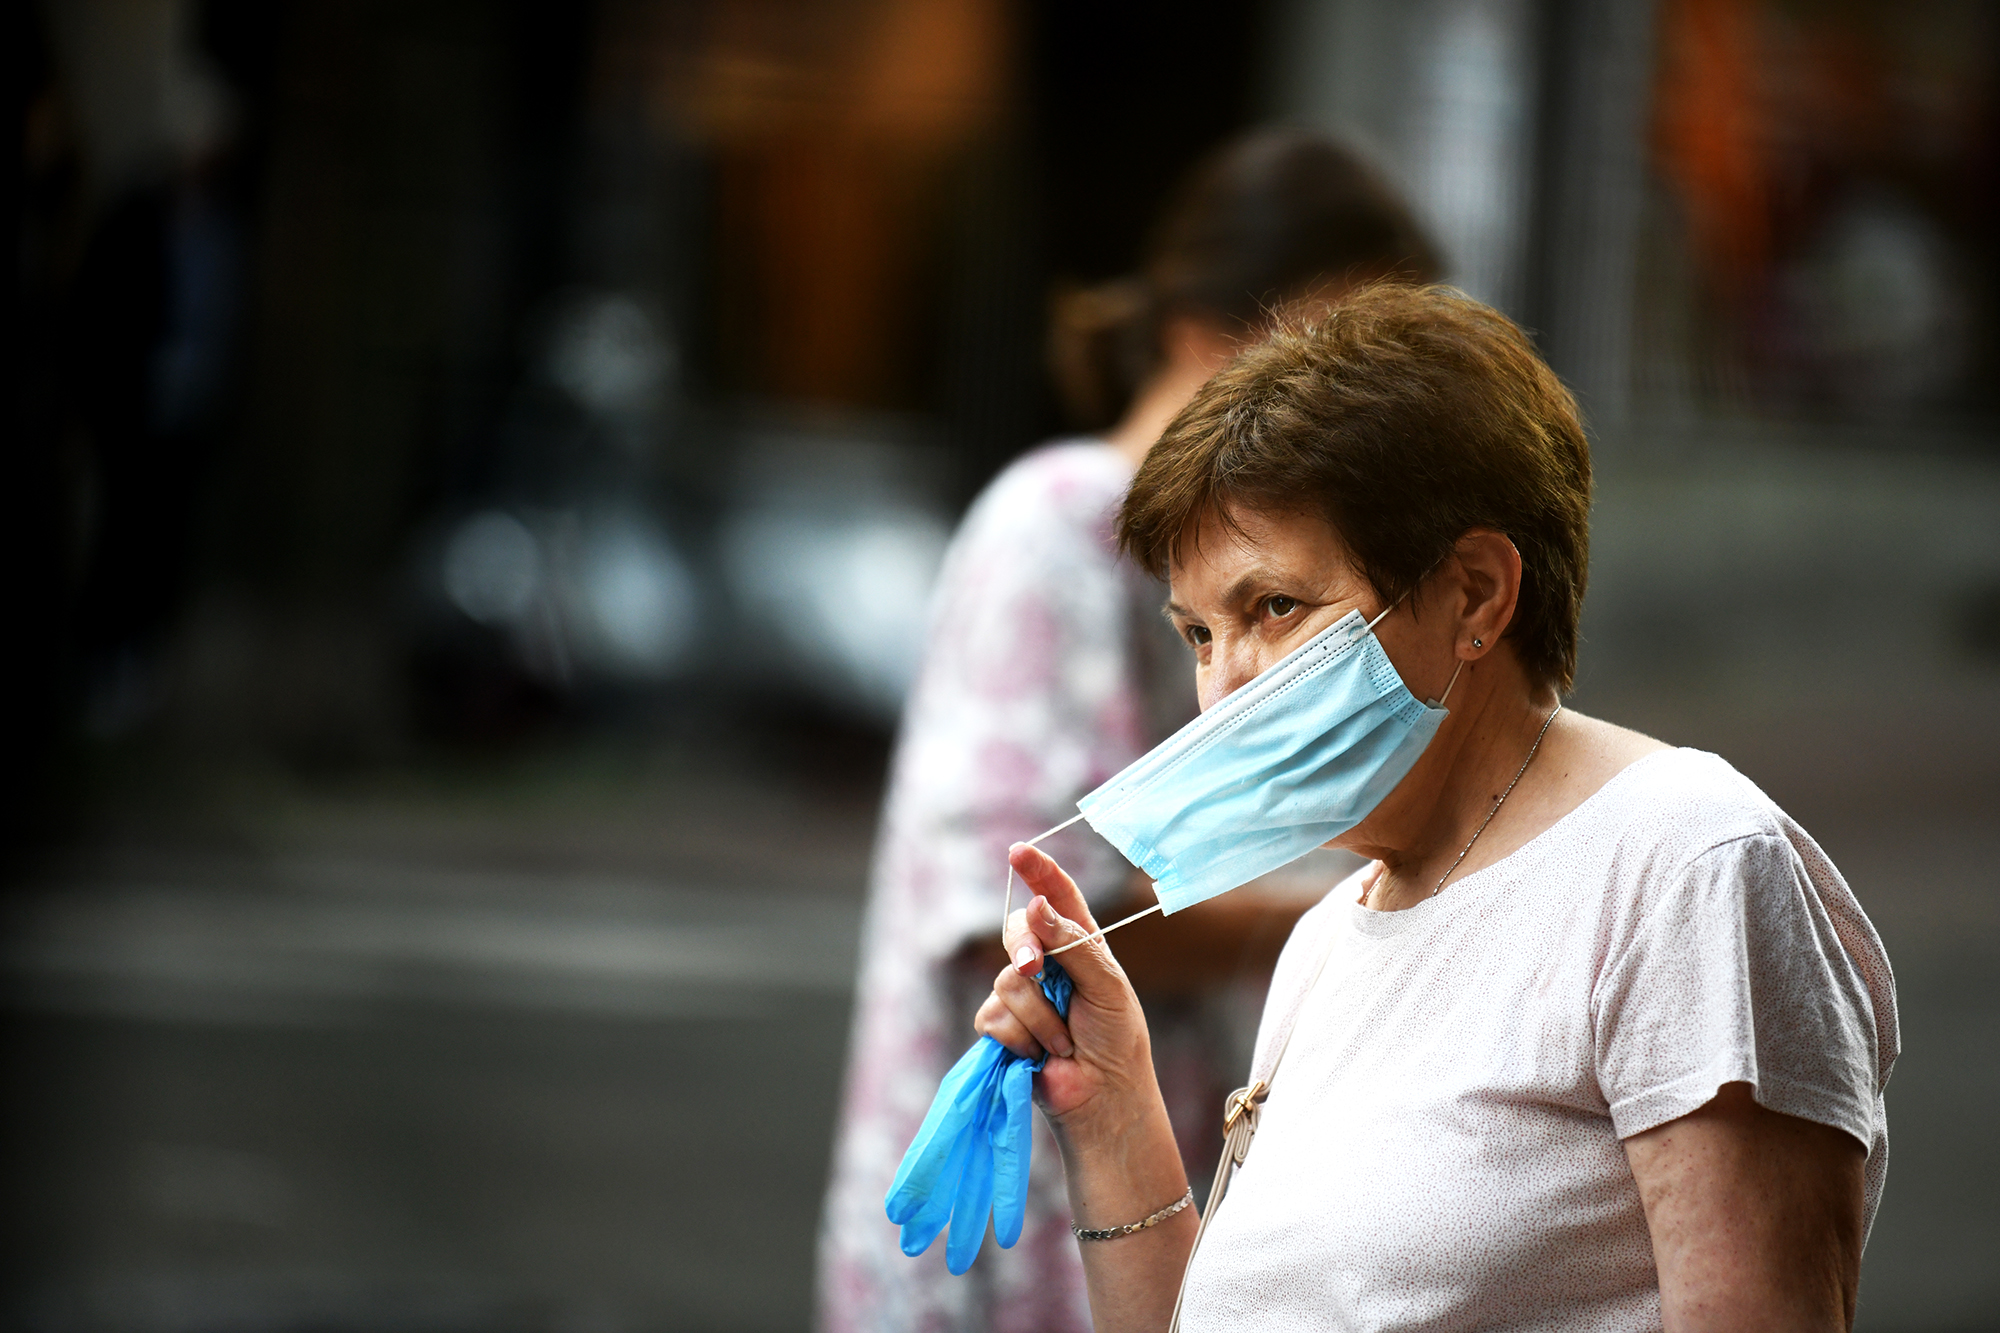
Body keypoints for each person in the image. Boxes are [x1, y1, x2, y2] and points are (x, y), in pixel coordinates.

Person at [979, 283, 1897, 1331]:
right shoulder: (1330, 931)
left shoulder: (1686, 863)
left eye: (1272, 607)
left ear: (1472, 593)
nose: (1223, 689)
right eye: (1195, 634)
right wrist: (1110, 1107)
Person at [815, 130, 1440, 1332]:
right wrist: (1341, 919)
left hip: (1143, 1168)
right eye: (1342, 349)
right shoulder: (1052, 531)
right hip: (1011, 1198)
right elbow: (1000, 905)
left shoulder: (1253, 548)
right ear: (1211, 339)